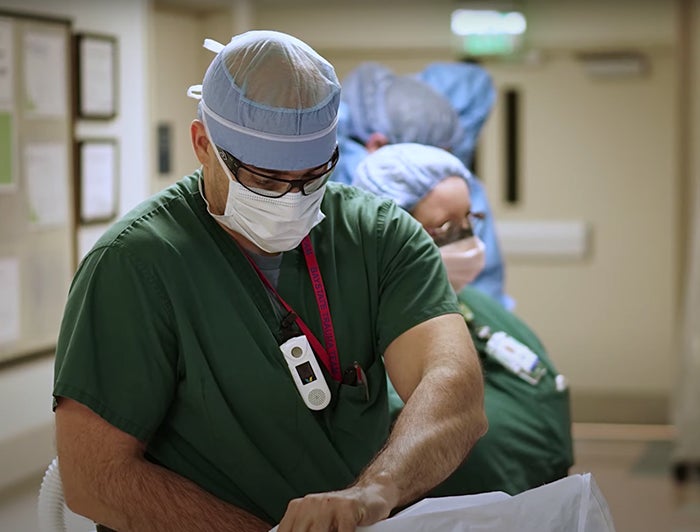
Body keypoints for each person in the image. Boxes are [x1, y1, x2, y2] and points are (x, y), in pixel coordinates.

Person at [52, 30, 488, 531]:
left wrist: (375, 492)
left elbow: (454, 391)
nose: (291, 198)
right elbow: (96, 476)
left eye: (312, 177)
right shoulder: (136, 264)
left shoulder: (379, 237)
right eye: (264, 180)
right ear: (202, 145)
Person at [353, 143, 574, 496]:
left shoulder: (477, 306)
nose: (467, 240)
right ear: (391, 235)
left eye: (470, 220)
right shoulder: (366, 328)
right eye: (445, 228)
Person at [335, 61, 514, 310]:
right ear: (377, 147)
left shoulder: (458, 184)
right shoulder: (344, 193)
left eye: (470, 219)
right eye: (443, 228)